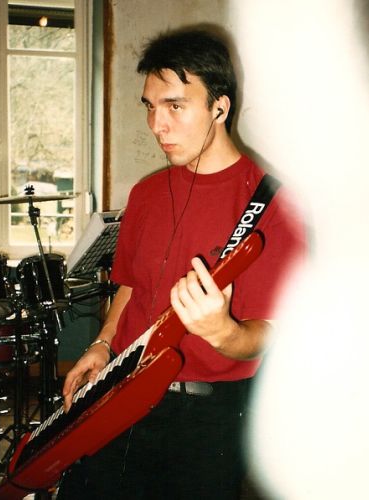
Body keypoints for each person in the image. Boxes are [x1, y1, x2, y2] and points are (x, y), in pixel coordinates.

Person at [58, 27, 304, 499]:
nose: (157, 125)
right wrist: (103, 345)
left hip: (203, 422)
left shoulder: (273, 206)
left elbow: (273, 332)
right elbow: (130, 285)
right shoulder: (145, 194)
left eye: (174, 106)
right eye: (150, 107)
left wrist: (223, 332)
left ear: (219, 107)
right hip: (120, 394)